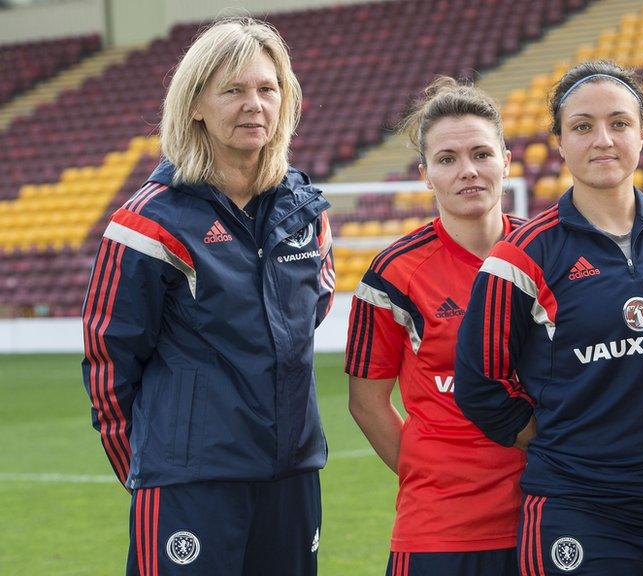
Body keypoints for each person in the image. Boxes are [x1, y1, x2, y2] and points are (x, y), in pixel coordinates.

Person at [81, 18, 333, 575]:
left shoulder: (305, 212)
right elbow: (109, 361)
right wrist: (153, 466)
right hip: (189, 483)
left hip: (292, 475)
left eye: (268, 89)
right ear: (196, 103)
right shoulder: (148, 222)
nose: (254, 105)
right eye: (234, 90)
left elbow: (312, 310)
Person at [454, 60, 643, 576]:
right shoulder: (522, 254)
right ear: (558, 141)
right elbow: (479, 383)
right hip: (577, 505)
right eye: (582, 126)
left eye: (619, 123)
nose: (603, 139)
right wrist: (562, 440)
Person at [345, 77, 526, 576]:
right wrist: (428, 471)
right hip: (440, 528)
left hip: (544, 513)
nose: (467, 171)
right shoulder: (394, 273)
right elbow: (366, 401)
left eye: (481, 154)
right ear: (426, 175)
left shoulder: (545, 254)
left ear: (506, 160)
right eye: (447, 160)